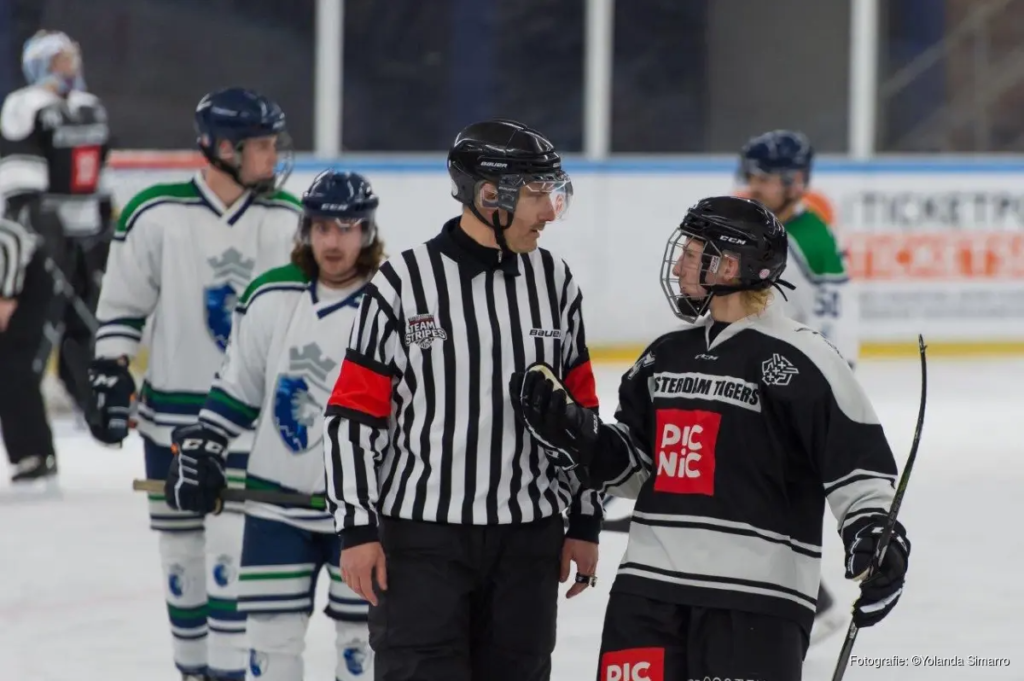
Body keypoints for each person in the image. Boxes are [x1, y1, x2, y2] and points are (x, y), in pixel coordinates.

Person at [510, 196, 911, 680]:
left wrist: (874, 534)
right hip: (648, 592)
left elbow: (859, 469)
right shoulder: (664, 356)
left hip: (758, 599)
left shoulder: (806, 359)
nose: (679, 264)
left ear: (730, 264)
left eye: (693, 251)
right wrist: (582, 434)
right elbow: (639, 469)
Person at [322, 118, 603, 681]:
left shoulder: (555, 281)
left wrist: (586, 519)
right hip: (423, 542)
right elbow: (355, 416)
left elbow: (582, 414)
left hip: (529, 541)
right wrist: (356, 528)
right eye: (536, 194)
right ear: (488, 194)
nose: (549, 211)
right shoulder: (403, 284)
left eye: (553, 193)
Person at [87, 87, 301, 681]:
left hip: (247, 425)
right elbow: (123, 307)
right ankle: (193, 672)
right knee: (180, 556)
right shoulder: (154, 213)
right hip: (169, 421)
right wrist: (110, 372)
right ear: (224, 148)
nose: (272, 156)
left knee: (232, 553)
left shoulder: (287, 219)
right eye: (261, 145)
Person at [164, 170, 383, 681]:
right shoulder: (269, 294)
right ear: (306, 230)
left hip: (363, 512)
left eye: (347, 228)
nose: (333, 241)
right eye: (323, 227)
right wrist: (205, 443)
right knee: (269, 644)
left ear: (367, 232)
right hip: (274, 505)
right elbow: (237, 386)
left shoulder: (391, 300)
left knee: (363, 645)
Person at [739, 129, 857, 642]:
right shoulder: (764, 228)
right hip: (764, 383)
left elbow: (834, 329)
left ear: (797, 182)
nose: (756, 186)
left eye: (767, 179)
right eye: (755, 176)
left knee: (759, 501)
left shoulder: (811, 241)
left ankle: (813, 603)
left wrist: (815, 397)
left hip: (794, 393)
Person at [0, 30, 115, 484]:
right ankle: (33, 448)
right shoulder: (23, 105)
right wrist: (44, 237)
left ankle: (104, 417)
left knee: (84, 335)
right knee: (26, 345)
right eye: (60, 58)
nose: (70, 65)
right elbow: (20, 187)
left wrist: (103, 230)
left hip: (87, 239)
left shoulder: (91, 105)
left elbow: (101, 175)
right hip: (40, 245)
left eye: (73, 56)